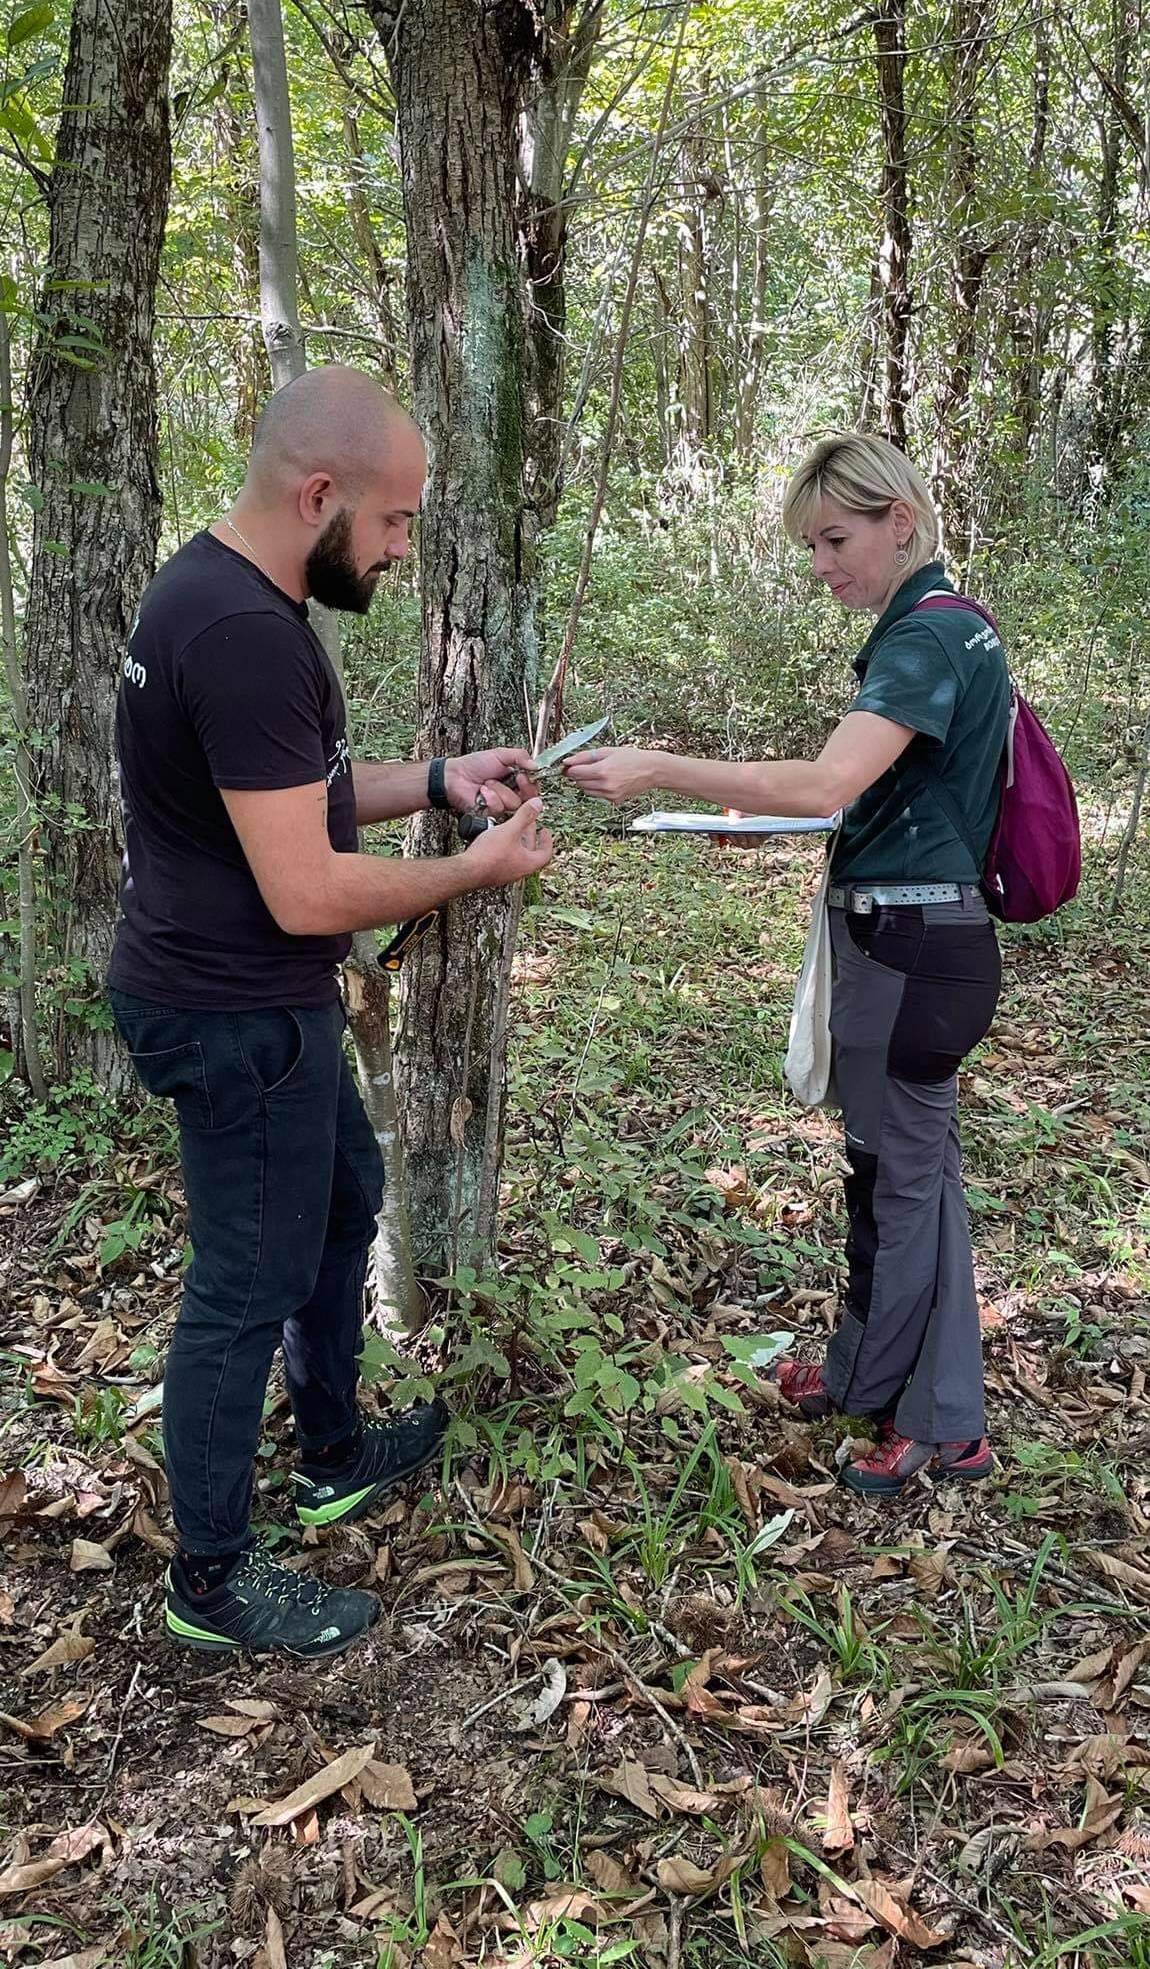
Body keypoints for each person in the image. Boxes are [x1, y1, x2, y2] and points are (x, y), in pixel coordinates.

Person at [109, 366, 553, 1655]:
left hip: (251, 998)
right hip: (236, 1011)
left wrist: (435, 780)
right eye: (395, 521)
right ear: (319, 495)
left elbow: (286, 791)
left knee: (344, 1201)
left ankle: (334, 1444)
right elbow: (303, 885)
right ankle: (210, 1577)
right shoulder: (245, 635)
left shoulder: (217, 589)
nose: (405, 548)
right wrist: (473, 865)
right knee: (242, 1283)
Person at [565, 433, 1008, 1497]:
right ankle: (893, 1383)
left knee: (898, 1186)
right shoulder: (946, 630)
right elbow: (877, 797)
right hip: (917, 939)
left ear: (900, 520)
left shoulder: (925, 638)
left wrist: (659, 764)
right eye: (812, 543)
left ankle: (928, 1419)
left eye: (834, 538)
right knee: (909, 1176)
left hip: (909, 953)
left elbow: (825, 782)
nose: (821, 565)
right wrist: (745, 814)